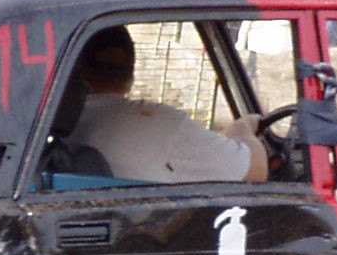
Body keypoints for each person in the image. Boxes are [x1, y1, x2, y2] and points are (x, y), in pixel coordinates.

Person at [66, 26, 268, 182]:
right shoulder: (160, 123)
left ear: (77, 69)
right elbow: (256, 170)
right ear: (131, 74)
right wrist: (242, 130)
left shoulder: (58, 124)